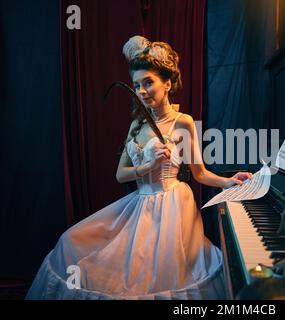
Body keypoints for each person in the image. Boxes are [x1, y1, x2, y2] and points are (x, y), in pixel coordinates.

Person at [26, 35, 252, 300]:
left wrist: (228, 181)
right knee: (71, 242)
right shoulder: (137, 125)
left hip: (172, 207)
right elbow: (120, 174)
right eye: (136, 85)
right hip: (139, 203)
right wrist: (147, 165)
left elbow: (199, 173)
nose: (142, 91)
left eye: (149, 83)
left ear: (167, 84)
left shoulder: (183, 122)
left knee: (160, 276)